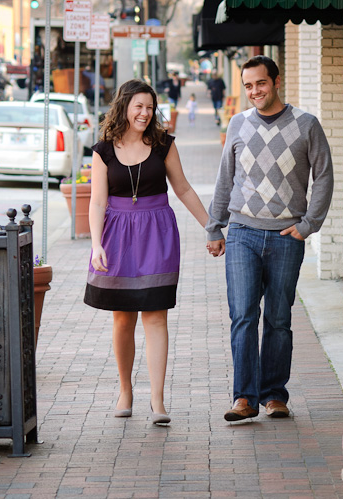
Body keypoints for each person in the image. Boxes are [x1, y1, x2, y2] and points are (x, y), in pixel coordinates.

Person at [205, 56, 334, 421]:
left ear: (276, 81)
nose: (254, 92)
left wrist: (309, 225)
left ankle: (274, 395)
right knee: (243, 315)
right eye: (248, 86)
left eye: (260, 84)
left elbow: (324, 176)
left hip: (285, 236)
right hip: (243, 233)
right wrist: (215, 227)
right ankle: (244, 398)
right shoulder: (238, 125)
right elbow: (225, 178)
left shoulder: (306, 125)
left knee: (278, 319)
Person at [84, 79, 210, 425]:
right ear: (124, 106)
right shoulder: (103, 150)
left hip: (157, 232)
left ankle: (157, 399)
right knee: (122, 317)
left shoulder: (163, 145)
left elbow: (182, 188)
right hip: (116, 235)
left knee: (155, 316)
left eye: (150, 107)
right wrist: (96, 244)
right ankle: (125, 390)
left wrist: (210, 226)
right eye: (139, 106)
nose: (144, 113)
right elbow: (97, 201)